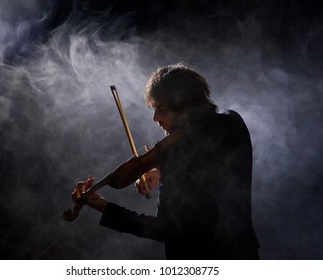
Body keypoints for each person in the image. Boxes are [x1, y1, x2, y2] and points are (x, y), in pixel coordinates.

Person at [72, 63, 260, 259]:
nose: (155, 118)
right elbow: (212, 167)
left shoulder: (174, 154)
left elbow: (165, 229)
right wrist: (162, 170)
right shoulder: (233, 123)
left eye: (161, 109)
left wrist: (105, 207)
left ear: (186, 106)